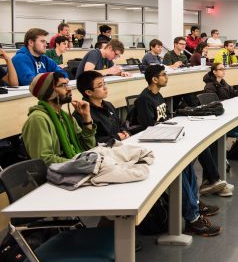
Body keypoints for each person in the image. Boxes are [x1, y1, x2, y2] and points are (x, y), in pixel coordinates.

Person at [128, 65, 222, 235]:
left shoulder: (158, 96)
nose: (167, 77)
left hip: (166, 139)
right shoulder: (144, 100)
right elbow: (148, 128)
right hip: (155, 146)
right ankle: (193, 218)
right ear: (154, 79)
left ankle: (194, 204)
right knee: (180, 170)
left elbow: (163, 120)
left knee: (187, 165)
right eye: (163, 75)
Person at [21, 72, 96, 165]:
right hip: (57, 174)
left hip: (75, 166)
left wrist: (87, 118)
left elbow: (88, 147)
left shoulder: (65, 116)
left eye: (67, 84)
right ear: (49, 92)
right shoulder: (38, 119)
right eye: (62, 85)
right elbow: (44, 159)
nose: (69, 88)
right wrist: (79, 163)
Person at [75, 70, 131, 143]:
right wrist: (115, 138)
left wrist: (125, 132)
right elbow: (91, 142)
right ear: (89, 92)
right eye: (100, 85)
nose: (105, 88)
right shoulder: (82, 113)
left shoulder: (108, 105)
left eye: (104, 83)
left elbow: (120, 125)